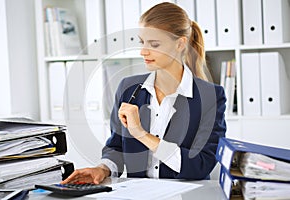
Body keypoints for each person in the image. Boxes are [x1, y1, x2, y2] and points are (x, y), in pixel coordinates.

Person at [61, 2, 226, 185]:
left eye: (154, 44)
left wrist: (141, 134)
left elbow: (201, 164)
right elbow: (116, 147)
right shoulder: (128, 88)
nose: (143, 51)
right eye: (142, 42)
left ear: (180, 44)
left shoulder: (211, 96)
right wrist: (103, 168)